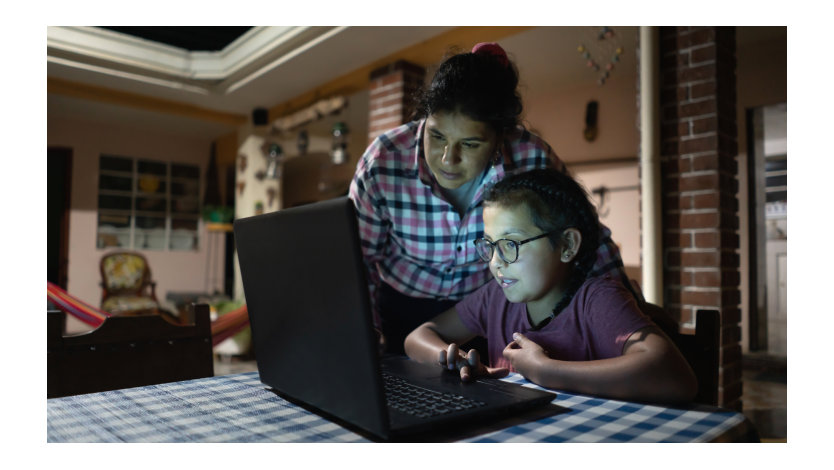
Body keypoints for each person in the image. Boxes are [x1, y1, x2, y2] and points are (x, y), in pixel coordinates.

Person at [349, 42, 630, 356]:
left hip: (484, 311)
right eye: (436, 136)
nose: (447, 159)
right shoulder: (384, 161)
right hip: (399, 307)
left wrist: (629, 313)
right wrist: (363, 330)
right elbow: (354, 260)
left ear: (499, 137)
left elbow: (590, 238)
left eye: (469, 144)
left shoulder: (530, 157)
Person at [404, 168, 697, 404]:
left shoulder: (597, 300)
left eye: (510, 244)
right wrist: (452, 359)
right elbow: (419, 336)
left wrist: (546, 370)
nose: (495, 261)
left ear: (567, 245)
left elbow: (676, 377)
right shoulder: (495, 299)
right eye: (490, 245)